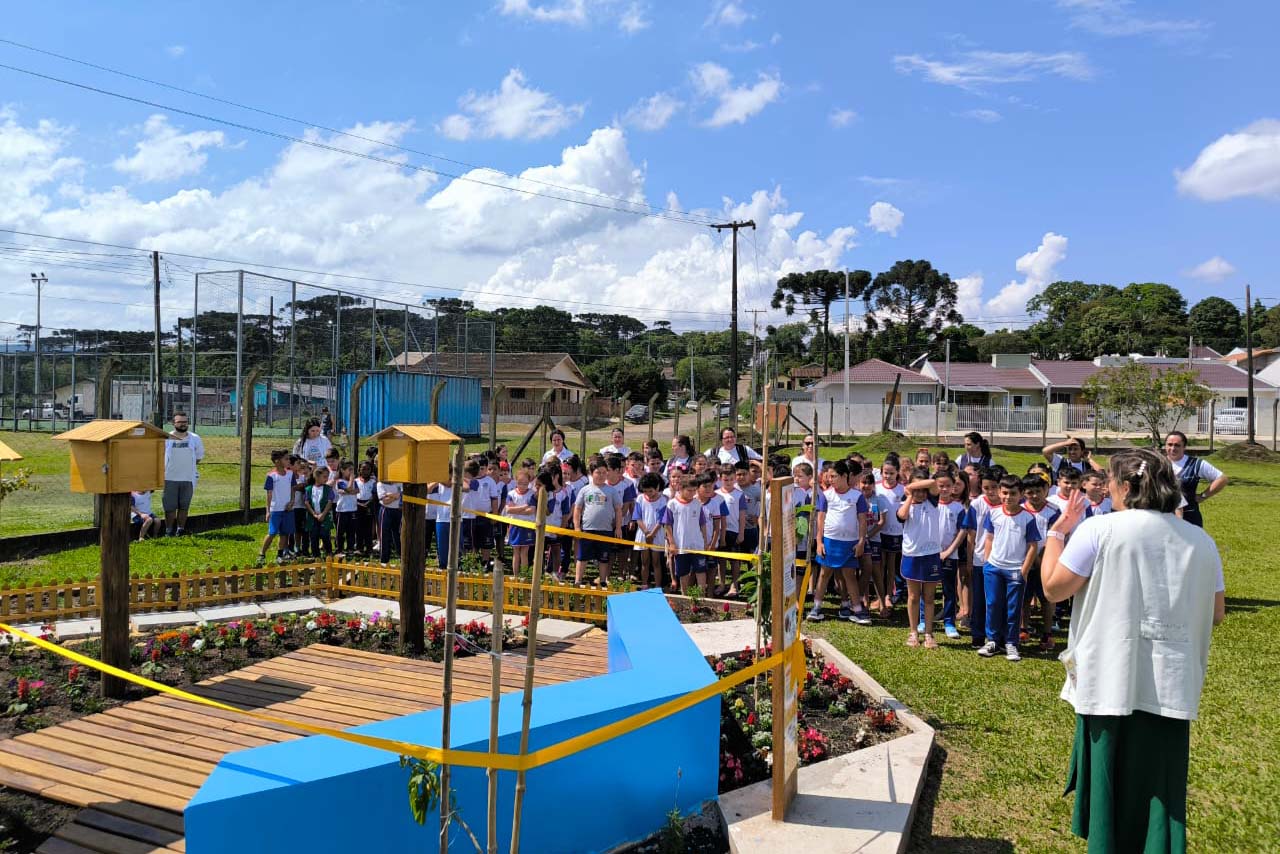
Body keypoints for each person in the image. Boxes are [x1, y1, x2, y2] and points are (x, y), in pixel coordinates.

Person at [1041, 448, 1224, 854]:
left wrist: (1057, 533)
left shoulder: (1100, 529)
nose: (1106, 488)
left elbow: (1054, 587)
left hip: (1110, 674)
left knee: (1109, 783)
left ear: (1124, 487)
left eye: (1109, 481)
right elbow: (1217, 613)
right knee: (1158, 790)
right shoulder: (1201, 540)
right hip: (1171, 681)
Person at [979, 475, 1041, 662]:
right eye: (1004, 493)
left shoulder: (1027, 517)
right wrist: (987, 562)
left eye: (1013, 493)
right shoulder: (994, 513)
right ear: (999, 492)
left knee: (1013, 608)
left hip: (1015, 570)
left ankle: (1011, 643)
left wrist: (1024, 570)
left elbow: (1033, 546)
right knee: (993, 604)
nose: (1008, 497)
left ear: (1021, 494)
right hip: (994, 568)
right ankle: (992, 641)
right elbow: (989, 537)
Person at [808, 460, 870, 624]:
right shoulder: (826, 495)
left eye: (834, 476)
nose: (830, 480)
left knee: (849, 575)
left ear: (844, 476)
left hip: (850, 542)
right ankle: (817, 607)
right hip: (829, 541)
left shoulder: (857, 496)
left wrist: (861, 542)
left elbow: (862, 521)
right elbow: (820, 519)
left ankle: (856, 609)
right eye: (829, 477)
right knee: (824, 573)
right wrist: (819, 541)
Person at [897, 467, 944, 648]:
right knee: (914, 596)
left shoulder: (932, 501)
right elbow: (901, 516)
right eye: (915, 490)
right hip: (912, 555)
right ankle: (913, 631)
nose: (919, 494)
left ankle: (929, 634)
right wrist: (909, 495)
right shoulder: (906, 502)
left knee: (930, 597)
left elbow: (933, 483)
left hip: (931, 555)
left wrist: (910, 485)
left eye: (921, 490)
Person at [1163, 430, 1228, 528]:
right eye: (1170, 444)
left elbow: (1222, 479)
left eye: (1177, 445)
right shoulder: (1158, 463)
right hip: (1163, 516)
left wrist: (1203, 496)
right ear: (1165, 446)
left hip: (1190, 517)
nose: (1173, 448)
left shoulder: (1195, 464)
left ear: (1184, 447)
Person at [574, 460, 623, 587]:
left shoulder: (611, 491)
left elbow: (618, 509)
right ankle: (578, 580)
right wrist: (577, 527)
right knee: (582, 557)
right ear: (591, 473)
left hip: (605, 530)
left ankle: (602, 581)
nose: (601, 475)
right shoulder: (585, 490)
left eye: (603, 472)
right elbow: (577, 509)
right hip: (587, 530)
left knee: (603, 558)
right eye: (598, 472)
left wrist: (618, 527)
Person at [662, 475, 709, 593]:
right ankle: (685, 597)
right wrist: (672, 543)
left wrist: (704, 541)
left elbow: (702, 523)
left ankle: (701, 597)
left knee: (701, 570)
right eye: (689, 490)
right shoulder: (672, 504)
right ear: (680, 488)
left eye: (694, 490)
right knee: (683, 573)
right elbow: (667, 525)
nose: (692, 493)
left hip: (697, 545)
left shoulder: (697, 504)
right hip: (681, 545)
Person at [162, 411, 204, 536]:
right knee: (169, 508)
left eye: (185, 422)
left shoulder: (195, 438)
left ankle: (180, 530)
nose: (182, 424)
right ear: (173, 423)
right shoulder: (166, 438)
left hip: (188, 479)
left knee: (184, 507)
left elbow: (199, 456)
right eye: (179, 422)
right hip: (169, 478)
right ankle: (169, 530)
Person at [257, 450, 296, 565]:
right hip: (276, 509)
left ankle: (279, 555)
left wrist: (292, 501)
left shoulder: (290, 474)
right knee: (272, 533)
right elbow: (269, 494)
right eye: (286, 459)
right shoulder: (271, 476)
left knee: (284, 533)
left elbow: (292, 489)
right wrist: (268, 511)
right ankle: (262, 554)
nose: (289, 461)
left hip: (288, 509)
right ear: (277, 461)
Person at [633, 473, 668, 590]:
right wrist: (646, 533)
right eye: (646, 491)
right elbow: (638, 517)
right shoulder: (640, 498)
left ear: (657, 487)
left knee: (656, 562)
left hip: (657, 534)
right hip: (643, 534)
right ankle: (644, 584)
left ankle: (658, 586)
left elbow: (661, 520)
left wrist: (652, 534)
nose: (648, 494)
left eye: (651, 491)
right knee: (644, 561)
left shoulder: (663, 500)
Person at [503, 469, 537, 575]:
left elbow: (531, 511)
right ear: (516, 481)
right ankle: (516, 576)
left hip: (527, 526)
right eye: (520, 483)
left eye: (525, 484)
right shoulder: (511, 494)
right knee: (516, 552)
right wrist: (524, 506)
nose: (522, 486)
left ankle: (523, 576)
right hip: (515, 526)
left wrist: (517, 509)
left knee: (524, 553)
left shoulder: (532, 494)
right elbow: (508, 509)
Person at [306, 467, 337, 557]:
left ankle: (329, 553)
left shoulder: (328, 489)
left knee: (325, 535)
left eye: (327, 477)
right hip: (313, 517)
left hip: (325, 516)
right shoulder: (309, 489)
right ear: (316, 476)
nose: (326, 479)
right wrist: (314, 514)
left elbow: (330, 501)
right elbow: (307, 502)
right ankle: (316, 555)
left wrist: (323, 514)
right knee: (313, 536)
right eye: (324, 477)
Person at [334, 461, 359, 557]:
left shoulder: (354, 482)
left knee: (351, 531)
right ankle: (339, 549)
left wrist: (349, 490)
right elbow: (348, 489)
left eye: (353, 470)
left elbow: (356, 490)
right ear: (342, 470)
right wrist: (351, 480)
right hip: (342, 510)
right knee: (341, 531)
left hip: (352, 509)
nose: (352, 472)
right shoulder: (340, 481)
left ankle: (350, 548)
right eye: (350, 470)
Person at [376, 478, 402, 565]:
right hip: (386, 510)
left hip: (398, 511)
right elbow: (385, 501)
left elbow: (401, 496)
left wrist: (390, 495)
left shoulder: (399, 483)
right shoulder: (380, 484)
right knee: (384, 535)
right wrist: (395, 496)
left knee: (398, 534)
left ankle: (402, 556)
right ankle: (384, 560)